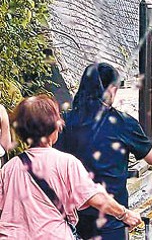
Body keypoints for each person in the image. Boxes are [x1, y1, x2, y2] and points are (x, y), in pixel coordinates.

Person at [0, 94, 142, 239]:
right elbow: (94, 197)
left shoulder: (8, 168)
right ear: (55, 126)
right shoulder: (66, 163)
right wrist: (124, 214)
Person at [56, 63, 152, 240]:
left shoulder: (66, 121)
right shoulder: (123, 122)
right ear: (111, 90)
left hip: (75, 218)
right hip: (113, 217)